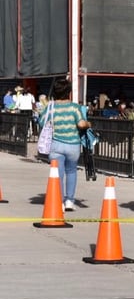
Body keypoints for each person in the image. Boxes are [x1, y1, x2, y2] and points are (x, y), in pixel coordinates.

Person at [39, 78, 90, 211]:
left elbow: (41, 122)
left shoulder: (50, 107)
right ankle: (69, 201)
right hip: (73, 145)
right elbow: (81, 124)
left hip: (55, 145)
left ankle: (59, 202)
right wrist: (88, 124)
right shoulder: (75, 107)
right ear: (68, 92)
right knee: (71, 171)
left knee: (58, 174)